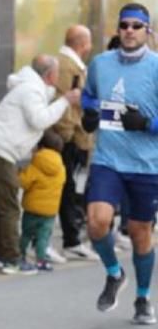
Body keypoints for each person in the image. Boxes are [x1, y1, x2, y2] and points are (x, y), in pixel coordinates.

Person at [80, 3, 158, 324]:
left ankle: (142, 298)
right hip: (107, 159)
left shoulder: (156, 66)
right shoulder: (100, 63)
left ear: (147, 31)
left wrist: (147, 124)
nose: (129, 30)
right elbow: (88, 96)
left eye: (136, 25)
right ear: (118, 30)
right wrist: (89, 112)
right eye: (124, 24)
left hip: (147, 165)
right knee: (97, 221)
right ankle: (114, 273)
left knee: (141, 233)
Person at [0, 54, 79, 275]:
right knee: (10, 207)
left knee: (5, 205)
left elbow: (43, 100)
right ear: (50, 75)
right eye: (57, 73)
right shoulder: (31, 90)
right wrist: (65, 101)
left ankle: (0, 253)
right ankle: (12, 258)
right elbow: (39, 120)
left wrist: (61, 96)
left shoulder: (32, 88)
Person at [54, 25, 98, 261]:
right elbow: (66, 104)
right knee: (68, 189)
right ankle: (71, 239)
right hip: (70, 139)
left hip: (77, 138)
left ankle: (74, 236)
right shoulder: (67, 66)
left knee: (74, 189)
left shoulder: (71, 65)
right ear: (82, 44)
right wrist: (69, 134)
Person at [19, 130, 66, 271]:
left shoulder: (35, 164)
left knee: (26, 233)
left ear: (40, 146)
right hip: (50, 210)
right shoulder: (61, 167)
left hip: (32, 208)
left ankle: (20, 255)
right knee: (43, 237)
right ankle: (41, 261)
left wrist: (20, 172)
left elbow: (24, 182)